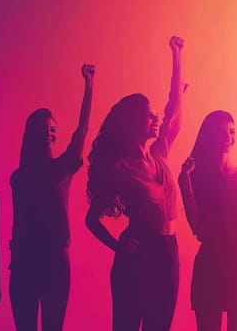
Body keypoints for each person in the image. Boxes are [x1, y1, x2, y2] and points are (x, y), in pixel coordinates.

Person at [85, 36, 186, 331]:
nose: (156, 119)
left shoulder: (161, 152)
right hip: (141, 252)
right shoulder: (120, 168)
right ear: (132, 122)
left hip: (170, 251)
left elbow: (175, 105)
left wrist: (177, 54)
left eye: (155, 115)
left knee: (160, 325)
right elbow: (91, 220)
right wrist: (118, 246)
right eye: (148, 116)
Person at [9, 64, 95, 331]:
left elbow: (82, 130)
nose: (49, 133)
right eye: (44, 129)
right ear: (32, 134)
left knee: (53, 326)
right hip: (24, 261)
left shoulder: (61, 168)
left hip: (55, 263)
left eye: (53, 130)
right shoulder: (19, 177)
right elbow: (20, 221)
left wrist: (89, 86)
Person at [178, 110, 237, 331]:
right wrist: (186, 185)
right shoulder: (197, 178)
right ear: (209, 137)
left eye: (232, 131)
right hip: (211, 265)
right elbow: (197, 227)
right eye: (221, 133)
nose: (228, 138)